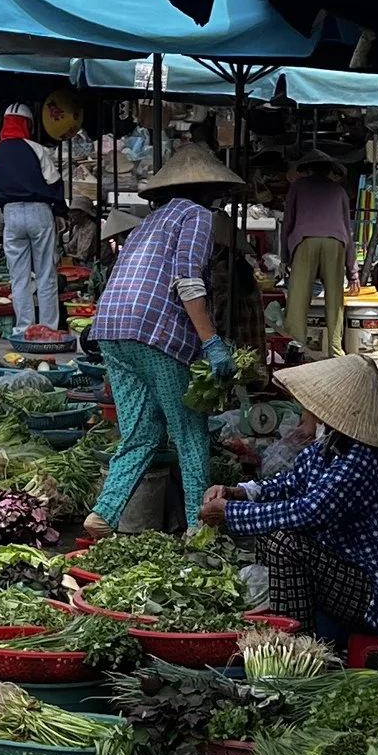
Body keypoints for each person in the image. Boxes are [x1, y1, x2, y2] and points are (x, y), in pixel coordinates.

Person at [199, 349, 378, 640]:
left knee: (284, 542)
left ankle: (297, 642)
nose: (304, 411)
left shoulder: (363, 458)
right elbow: (289, 483)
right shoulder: (330, 445)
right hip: (348, 569)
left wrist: (230, 513)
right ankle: (293, 631)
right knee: (272, 532)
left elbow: (310, 511)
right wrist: (237, 492)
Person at [84, 140, 239, 534]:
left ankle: (104, 513)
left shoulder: (147, 223)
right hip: (155, 334)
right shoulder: (197, 216)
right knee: (190, 434)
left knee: (141, 432)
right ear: (206, 190)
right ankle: (198, 529)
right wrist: (211, 343)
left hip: (111, 331)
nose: (218, 201)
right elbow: (188, 282)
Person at [0, 106, 65, 332]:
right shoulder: (37, 149)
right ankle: (48, 329)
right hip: (40, 213)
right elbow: (55, 183)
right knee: (46, 273)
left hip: (12, 214)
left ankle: (23, 328)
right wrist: (61, 212)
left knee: (19, 277)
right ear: (29, 125)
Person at [279, 150, 355, 356]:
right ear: (329, 170)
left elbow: (287, 223)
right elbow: (348, 231)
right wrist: (352, 271)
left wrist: (284, 257)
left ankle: (296, 346)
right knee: (335, 299)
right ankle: (335, 349)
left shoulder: (298, 187)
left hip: (306, 242)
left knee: (298, 298)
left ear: (308, 169)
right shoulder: (339, 192)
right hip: (335, 243)